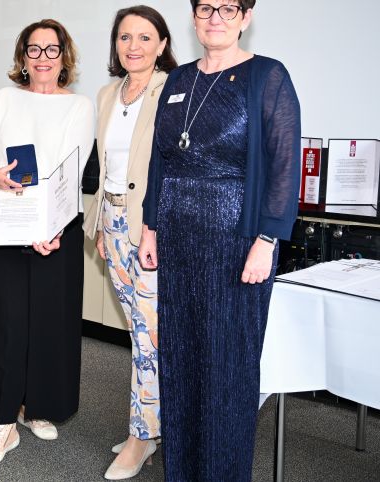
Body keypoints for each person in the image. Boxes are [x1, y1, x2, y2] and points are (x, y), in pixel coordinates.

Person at [139, 1, 300, 479]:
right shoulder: (179, 79)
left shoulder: (267, 77)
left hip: (236, 243)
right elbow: (159, 158)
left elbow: (284, 165)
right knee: (182, 362)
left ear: (246, 17)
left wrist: (267, 240)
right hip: (178, 239)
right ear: (193, 16)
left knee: (227, 370)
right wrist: (150, 225)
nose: (215, 18)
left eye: (228, 8)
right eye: (206, 7)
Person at [0, 19, 95, 466]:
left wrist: (53, 227)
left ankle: (36, 406)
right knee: (8, 318)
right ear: (23, 57)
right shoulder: (4, 100)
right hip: (7, 219)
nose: (43, 58)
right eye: (34, 49)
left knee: (49, 319)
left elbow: (71, 168)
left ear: (65, 57)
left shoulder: (79, 106)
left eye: (52, 49)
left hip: (56, 225)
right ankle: (4, 420)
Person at [81, 5, 176, 480]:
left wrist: (152, 229)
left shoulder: (173, 92)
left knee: (151, 335)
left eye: (144, 37)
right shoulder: (105, 93)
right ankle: (152, 426)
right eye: (124, 37)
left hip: (150, 230)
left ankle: (143, 436)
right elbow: (101, 168)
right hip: (112, 223)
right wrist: (100, 224)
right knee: (140, 333)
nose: (133, 46)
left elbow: (169, 170)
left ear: (162, 44)